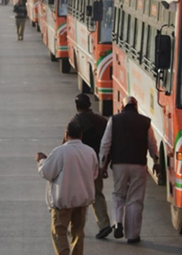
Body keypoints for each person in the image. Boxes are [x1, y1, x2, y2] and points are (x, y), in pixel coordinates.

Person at [99, 96, 160, 244]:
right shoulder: (145, 122)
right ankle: (132, 235)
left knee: (118, 195)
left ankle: (118, 222)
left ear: (122, 105)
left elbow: (105, 144)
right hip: (138, 165)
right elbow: (152, 145)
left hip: (119, 164)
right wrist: (156, 162)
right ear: (136, 106)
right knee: (135, 199)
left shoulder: (114, 120)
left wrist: (103, 166)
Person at [36, 120, 98, 255]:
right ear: (81, 135)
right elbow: (94, 174)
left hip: (63, 201)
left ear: (66, 134)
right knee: (78, 233)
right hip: (82, 201)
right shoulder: (90, 152)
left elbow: (46, 172)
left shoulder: (60, 152)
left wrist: (41, 160)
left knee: (59, 232)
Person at [69, 94, 112, 239]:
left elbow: (66, 144)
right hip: (95, 163)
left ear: (77, 106)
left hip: (79, 164)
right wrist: (104, 165)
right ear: (89, 105)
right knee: (97, 194)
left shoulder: (75, 122)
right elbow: (108, 144)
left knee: (77, 195)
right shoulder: (101, 120)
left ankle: (75, 225)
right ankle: (104, 224)